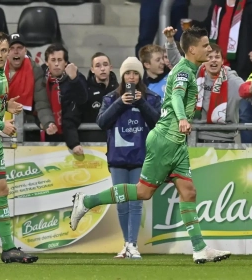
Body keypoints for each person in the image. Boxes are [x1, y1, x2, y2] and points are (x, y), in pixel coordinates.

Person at [70, 27, 231, 264]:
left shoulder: (186, 68)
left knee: (188, 192)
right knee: (143, 192)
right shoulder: (186, 72)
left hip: (176, 142)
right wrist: (182, 118)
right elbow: (176, 97)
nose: (210, 49)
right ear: (193, 49)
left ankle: (199, 248)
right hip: (166, 139)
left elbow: (176, 65)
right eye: (206, 45)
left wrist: (169, 41)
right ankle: (87, 201)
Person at [164, 27, 252, 143]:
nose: (213, 60)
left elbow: (245, 90)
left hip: (225, 142)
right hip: (196, 139)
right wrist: (170, 41)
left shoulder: (231, 78)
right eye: (209, 57)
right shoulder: (196, 73)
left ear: (222, 61)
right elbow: (176, 61)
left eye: (217, 57)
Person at [97, 57, 161, 259]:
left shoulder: (150, 97)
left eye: (135, 73)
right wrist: (119, 103)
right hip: (117, 158)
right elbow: (102, 122)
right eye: (128, 73)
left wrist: (140, 102)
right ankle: (126, 244)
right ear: (122, 76)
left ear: (140, 76)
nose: (131, 77)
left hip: (141, 157)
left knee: (136, 202)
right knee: (122, 203)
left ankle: (132, 244)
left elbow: (158, 122)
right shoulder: (110, 98)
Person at [0, 31, 38, 263]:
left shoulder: (0, 73)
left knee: (1, 190)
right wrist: (1, 125)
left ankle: (8, 248)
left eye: (3, 50)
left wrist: (8, 104)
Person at [79, 52, 119, 143]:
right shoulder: (86, 91)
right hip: (93, 143)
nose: (102, 69)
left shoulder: (119, 91)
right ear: (92, 69)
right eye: (98, 66)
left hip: (116, 142)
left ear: (111, 67)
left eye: (105, 65)